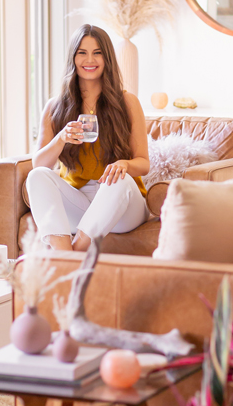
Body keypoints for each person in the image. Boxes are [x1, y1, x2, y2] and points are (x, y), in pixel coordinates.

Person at [26, 24, 150, 252]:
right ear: (73, 57)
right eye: (82, 52)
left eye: (97, 52)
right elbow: (39, 164)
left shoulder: (127, 102)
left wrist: (124, 164)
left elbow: (143, 164)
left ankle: (72, 255)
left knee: (118, 178)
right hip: (80, 203)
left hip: (123, 207)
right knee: (37, 176)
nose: (89, 59)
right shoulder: (55, 107)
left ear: (107, 58)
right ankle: (64, 255)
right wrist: (61, 138)